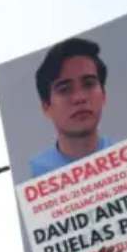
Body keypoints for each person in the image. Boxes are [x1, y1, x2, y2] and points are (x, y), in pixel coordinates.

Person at [28, 37, 113, 177]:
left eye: (89, 84)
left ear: (103, 95)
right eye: (64, 89)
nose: (79, 98)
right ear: (46, 107)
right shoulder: (34, 175)